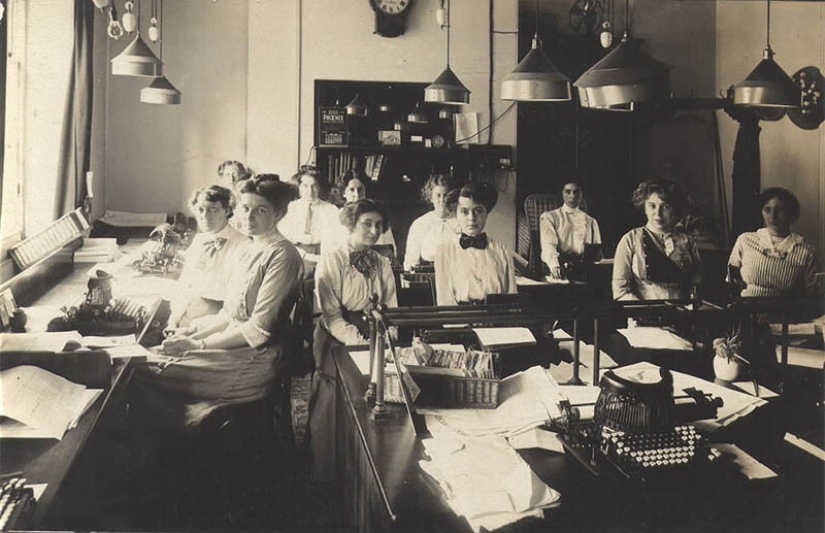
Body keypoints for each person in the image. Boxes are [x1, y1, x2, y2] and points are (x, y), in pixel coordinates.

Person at [133, 175, 304, 428]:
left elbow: (258, 331)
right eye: (245, 208)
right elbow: (230, 313)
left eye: (260, 210)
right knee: (143, 358)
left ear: (278, 214)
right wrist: (194, 331)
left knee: (142, 371)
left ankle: (184, 436)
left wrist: (197, 344)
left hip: (254, 359)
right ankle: (179, 436)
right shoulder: (251, 247)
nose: (249, 217)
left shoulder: (283, 255)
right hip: (233, 346)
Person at [309, 199, 398, 486]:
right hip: (337, 338)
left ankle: (367, 476)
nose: (374, 231)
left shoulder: (382, 263)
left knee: (383, 397)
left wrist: (387, 341)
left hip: (375, 334)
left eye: (379, 225)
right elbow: (332, 316)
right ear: (351, 224)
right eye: (367, 224)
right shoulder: (332, 260)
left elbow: (391, 309)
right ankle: (329, 473)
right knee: (337, 402)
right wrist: (361, 343)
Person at [166, 185, 248, 328]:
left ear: (227, 211)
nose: (205, 215)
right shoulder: (199, 240)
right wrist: (174, 319)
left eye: (213, 209)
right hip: (188, 311)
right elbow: (185, 284)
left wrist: (193, 327)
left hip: (219, 320)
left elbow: (236, 303)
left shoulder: (243, 245)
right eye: (201, 209)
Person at [434, 182, 517, 305]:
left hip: (496, 316)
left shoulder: (501, 251)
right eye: (464, 212)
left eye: (478, 211)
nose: (472, 218)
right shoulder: (445, 251)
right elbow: (445, 300)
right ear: (457, 214)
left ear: (486, 214)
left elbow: (512, 297)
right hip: (461, 316)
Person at [728, 187, 818, 299]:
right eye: (767, 209)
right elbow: (731, 281)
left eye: (779, 209)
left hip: (785, 309)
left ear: (791, 213)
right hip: (747, 307)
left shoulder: (806, 251)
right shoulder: (745, 240)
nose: (772, 216)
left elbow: (811, 294)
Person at [320, 171, 397, 256]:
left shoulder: (376, 216)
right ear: (343, 193)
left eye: (360, 190)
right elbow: (327, 248)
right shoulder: (335, 217)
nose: (356, 194)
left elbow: (389, 249)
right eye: (352, 190)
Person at [540, 181, 602, 280]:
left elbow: (596, 251)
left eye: (576, 192)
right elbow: (548, 245)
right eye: (567, 192)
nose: (572, 196)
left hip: (584, 270)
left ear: (581, 194)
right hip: (559, 268)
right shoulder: (550, 217)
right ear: (562, 194)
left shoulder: (591, 221)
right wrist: (554, 266)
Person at [279, 167, 339, 263]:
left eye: (314, 186)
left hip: (322, 254)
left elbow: (333, 240)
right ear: (299, 187)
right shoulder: (290, 209)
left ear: (319, 187)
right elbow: (284, 239)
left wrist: (322, 258)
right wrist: (304, 255)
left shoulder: (331, 209)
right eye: (305, 186)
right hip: (295, 253)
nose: (310, 191)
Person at [403, 173, 459, 271]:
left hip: (457, 273)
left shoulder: (461, 222)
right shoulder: (420, 224)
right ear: (431, 197)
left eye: (446, 195)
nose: (442, 200)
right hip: (429, 275)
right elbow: (411, 261)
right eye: (438, 195)